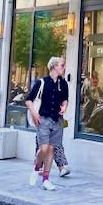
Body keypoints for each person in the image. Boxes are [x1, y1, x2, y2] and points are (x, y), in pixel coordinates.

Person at [26, 56, 69, 191]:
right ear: (54, 66)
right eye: (62, 65)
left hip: (57, 120)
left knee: (51, 149)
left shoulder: (63, 84)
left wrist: (64, 107)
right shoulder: (42, 82)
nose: (64, 68)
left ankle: (46, 179)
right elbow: (28, 100)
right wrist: (34, 113)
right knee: (43, 149)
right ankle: (37, 167)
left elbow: (65, 99)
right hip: (43, 119)